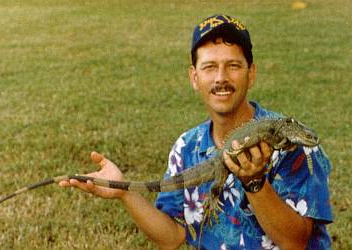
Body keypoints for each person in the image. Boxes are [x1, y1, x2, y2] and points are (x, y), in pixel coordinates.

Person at [59, 14, 332, 250]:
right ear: (194, 78)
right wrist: (124, 191)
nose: (221, 78)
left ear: (251, 74)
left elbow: (296, 243)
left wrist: (254, 182)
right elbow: (171, 237)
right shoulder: (186, 147)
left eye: (233, 66)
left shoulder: (299, 146)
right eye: (209, 67)